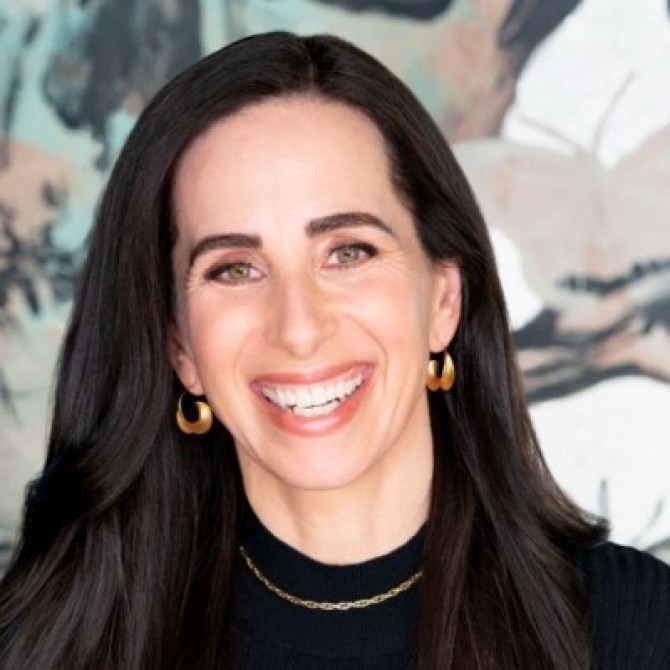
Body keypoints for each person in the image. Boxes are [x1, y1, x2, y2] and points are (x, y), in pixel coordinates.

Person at [0, 31, 669, 670]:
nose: (299, 328)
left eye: (348, 252)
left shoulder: (634, 629)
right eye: (234, 268)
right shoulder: (41, 644)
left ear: (444, 300)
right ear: (179, 346)